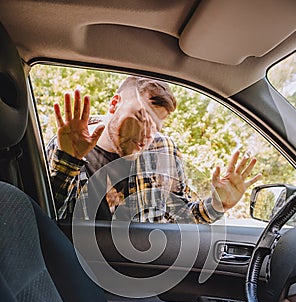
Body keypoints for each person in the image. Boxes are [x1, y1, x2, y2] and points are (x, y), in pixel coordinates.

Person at [47, 76, 261, 222]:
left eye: (156, 126)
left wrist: (217, 205)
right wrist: (69, 161)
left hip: (143, 272)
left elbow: (181, 218)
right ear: (114, 104)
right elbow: (47, 222)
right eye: (142, 118)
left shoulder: (164, 149)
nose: (149, 134)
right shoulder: (65, 147)